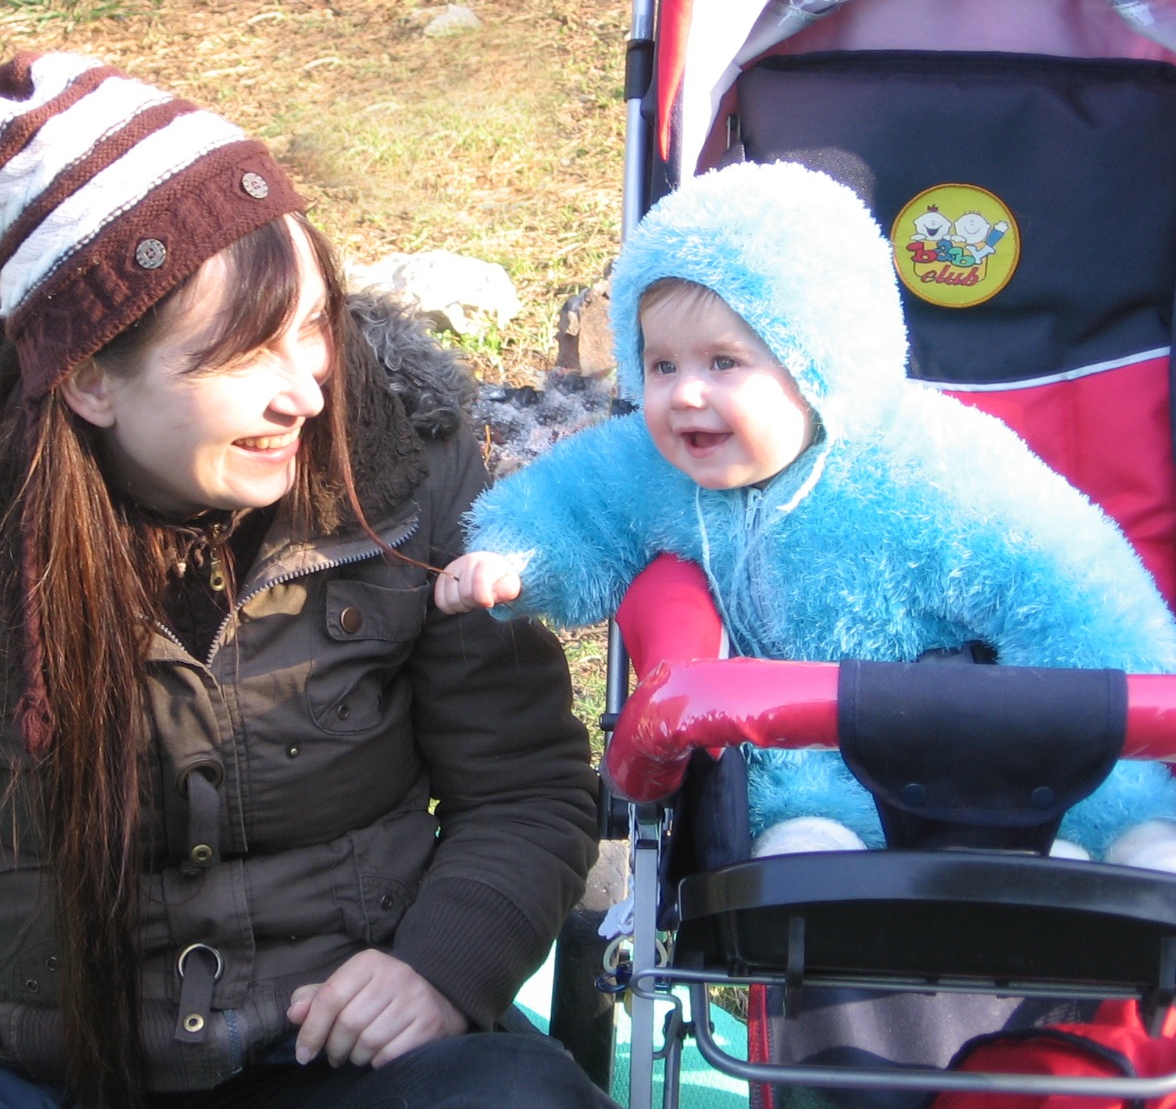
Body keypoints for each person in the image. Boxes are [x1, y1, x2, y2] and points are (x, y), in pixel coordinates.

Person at [0, 51, 610, 1109]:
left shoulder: (403, 458)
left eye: (312, 327)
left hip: (347, 1056)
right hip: (33, 1069)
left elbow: (523, 783)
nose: (306, 393)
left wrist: (440, 969)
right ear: (90, 381)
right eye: (241, 355)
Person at [435, 160, 1176, 868]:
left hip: (980, 739)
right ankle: (816, 874)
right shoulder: (654, 466)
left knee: (1097, 802)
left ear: (817, 360)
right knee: (798, 824)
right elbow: (579, 505)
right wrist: (515, 558)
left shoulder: (927, 465)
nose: (685, 393)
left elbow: (1063, 577)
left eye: (724, 363)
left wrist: (1145, 702)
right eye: (662, 365)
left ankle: (1124, 847)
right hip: (808, 752)